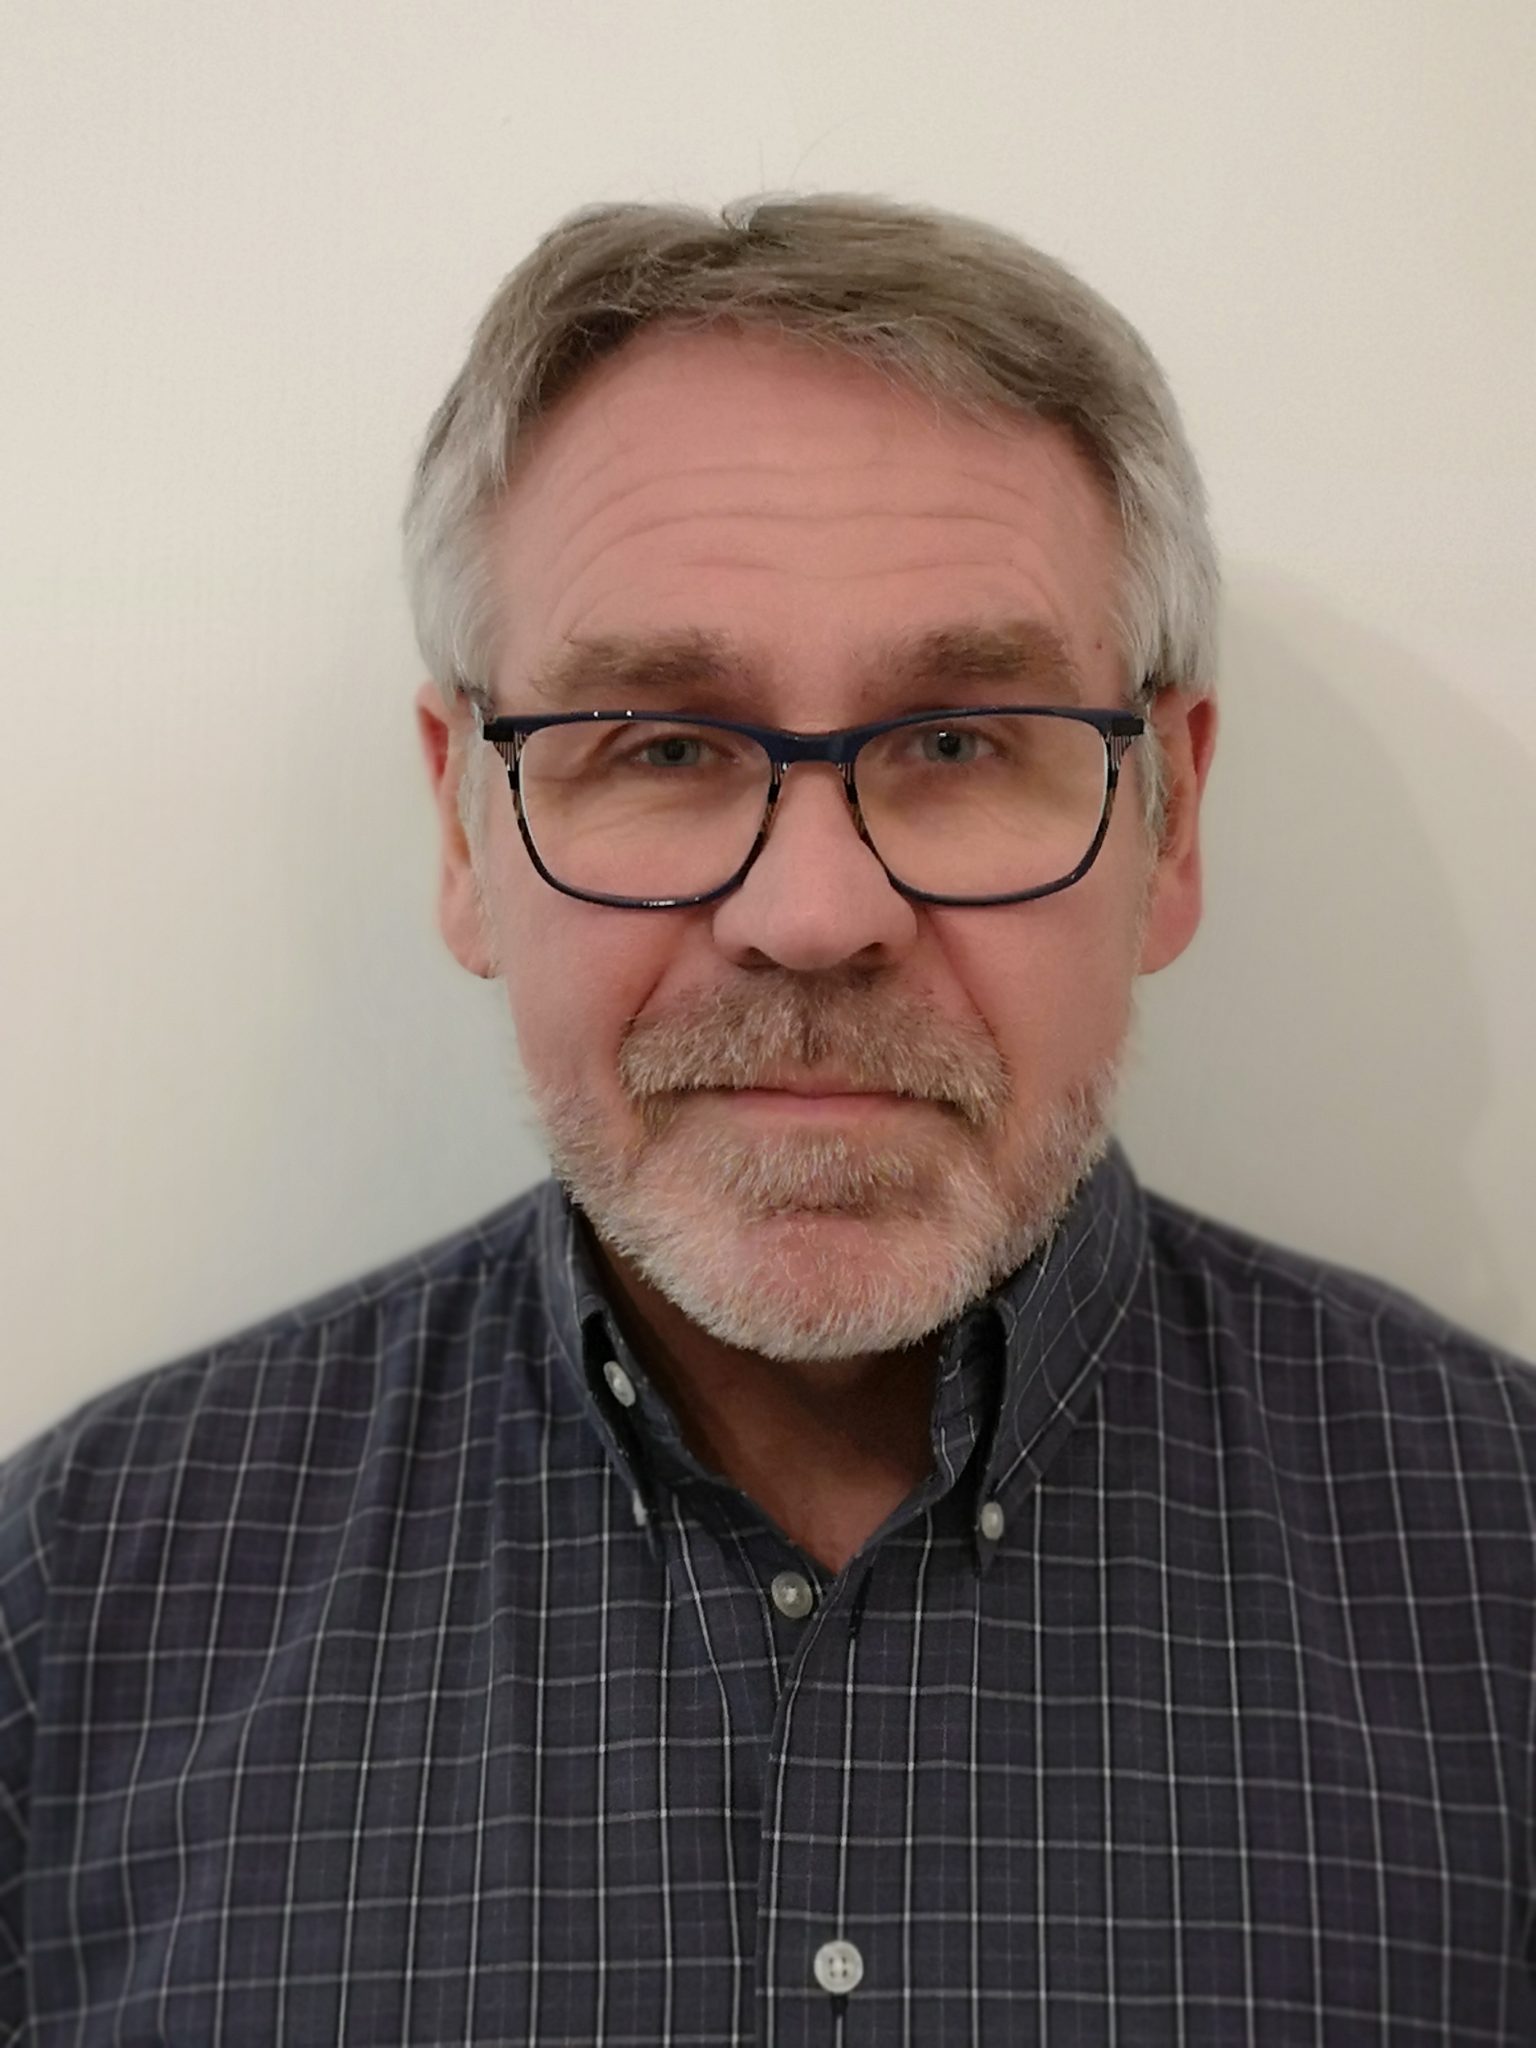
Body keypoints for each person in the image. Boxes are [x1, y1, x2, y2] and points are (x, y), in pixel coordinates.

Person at [2, 195, 1532, 2046]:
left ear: (1172, 824)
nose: (814, 915)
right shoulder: (74, 1605)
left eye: (958, 740)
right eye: (664, 745)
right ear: (464, 833)